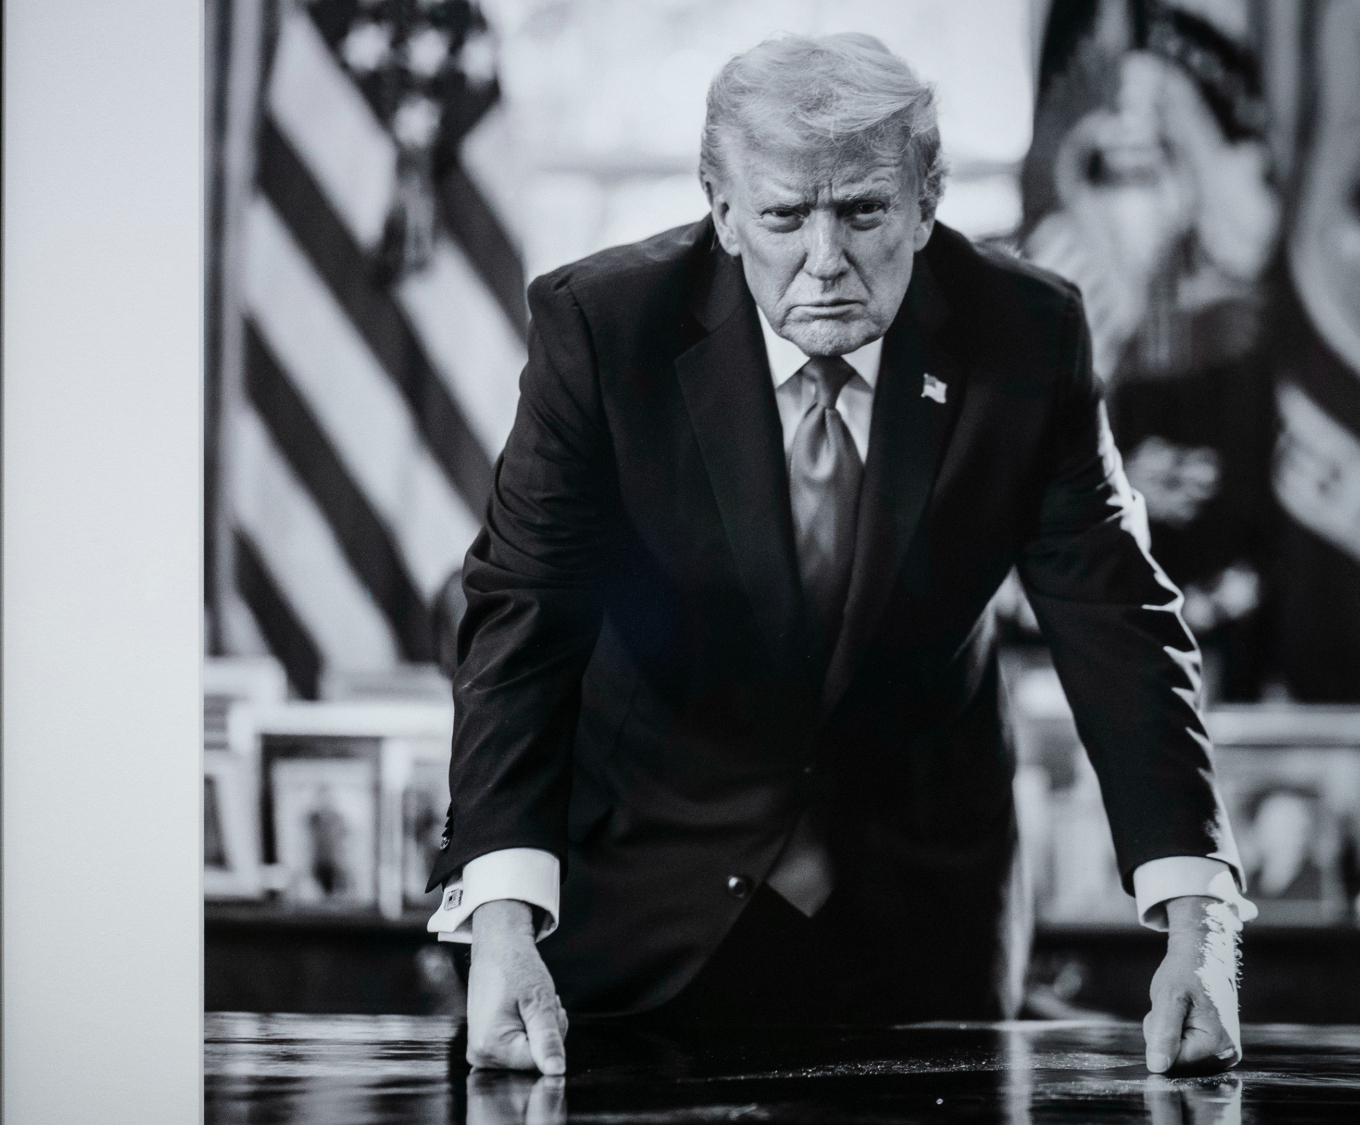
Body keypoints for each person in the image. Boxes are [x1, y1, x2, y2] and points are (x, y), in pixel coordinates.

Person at [424, 33, 1256, 1077]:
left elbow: (1119, 624)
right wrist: (501, 921)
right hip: (640, 907)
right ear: (723, 211)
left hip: (921, 920)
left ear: (926, 201)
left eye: (862, 211)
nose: (824, 259)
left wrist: (1199, 925)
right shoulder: (602, 328)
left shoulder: (1026, 333)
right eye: (784, 216)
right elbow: (523, 616)